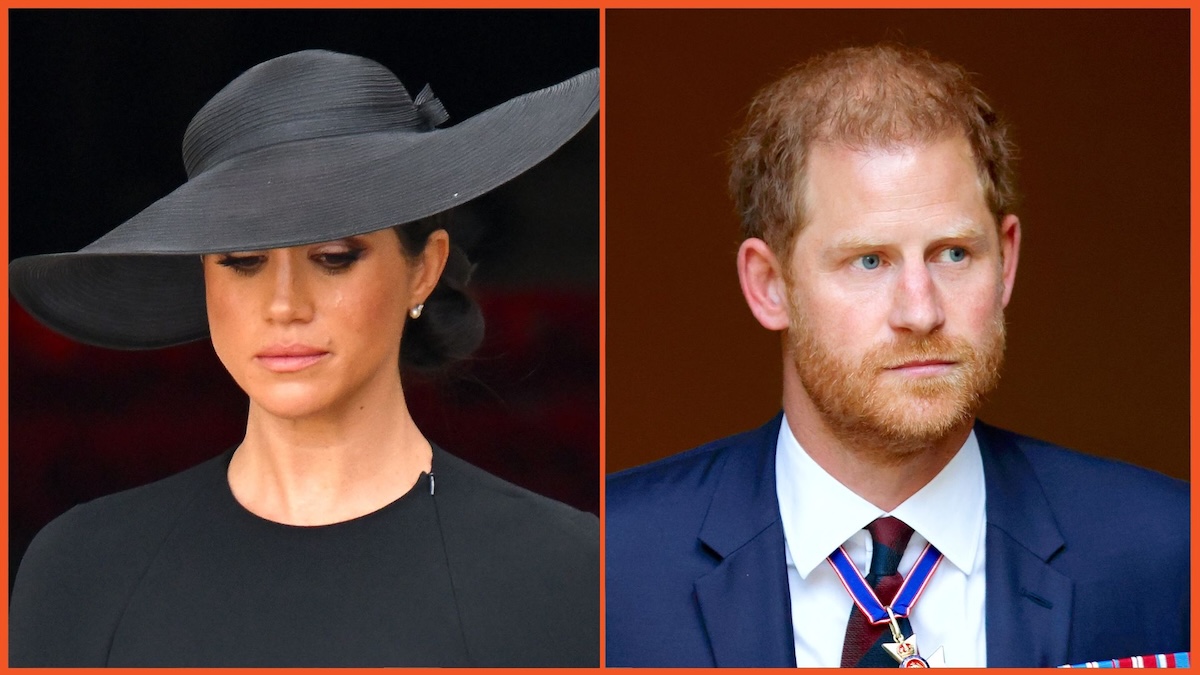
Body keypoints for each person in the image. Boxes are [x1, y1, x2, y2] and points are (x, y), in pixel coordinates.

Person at [9, 49, 599, 667]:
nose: (285, 304)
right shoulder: (83, 570)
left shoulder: (563, 571)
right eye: (243, 260)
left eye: (334, 257)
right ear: (205, 280)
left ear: (422, 270)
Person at [605, 43, 1188, 668]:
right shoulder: (612, 565)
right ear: (769, 285)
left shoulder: (1169, 550)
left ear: (1007, 261)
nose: (921, 311)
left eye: (955, 254)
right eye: (870, 260)